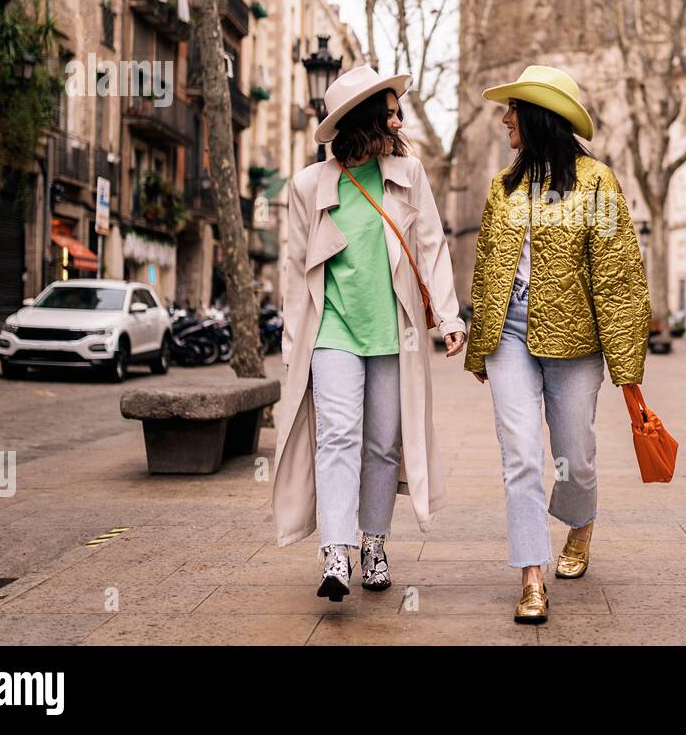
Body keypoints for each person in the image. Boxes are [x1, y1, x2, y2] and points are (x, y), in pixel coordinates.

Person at [271, 65, 466, 601]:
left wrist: (449, 318)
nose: (400, 118)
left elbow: (431, 246)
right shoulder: (308, 186)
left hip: (395, 332)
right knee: (338, 434)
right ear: (366, 118)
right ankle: (337, 552)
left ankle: (374, 542)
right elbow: (293, 270)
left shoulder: (409, 174)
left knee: (382, 444)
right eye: (391, 109)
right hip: (332, 330)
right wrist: (293, 350)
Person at [465, 65, 651, 625]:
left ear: (536, 116)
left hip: (578, 341)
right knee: (520, 455)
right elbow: (487, 267)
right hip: (511, 337)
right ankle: (531, 576)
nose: (503, 120)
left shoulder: (596, 183)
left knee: (575, 456)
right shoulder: (504, 185)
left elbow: (618, 276)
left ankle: (581, 522)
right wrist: (481, 342)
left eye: (512, 110)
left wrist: (626, 366)